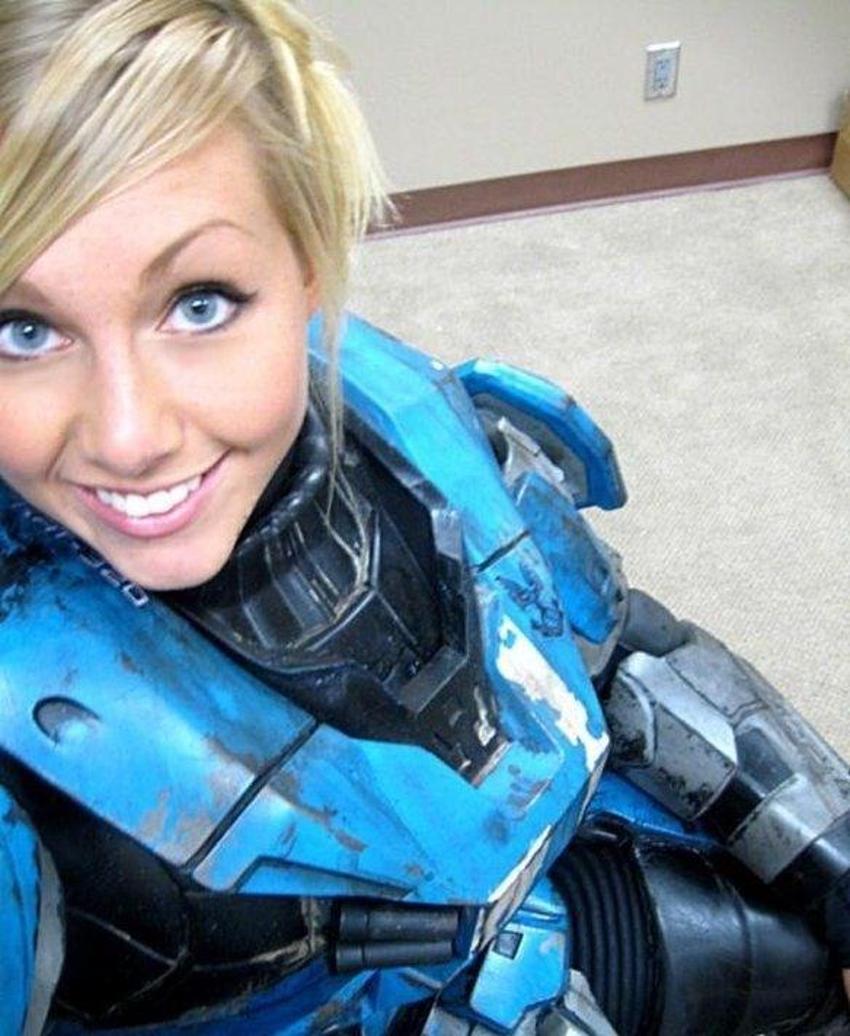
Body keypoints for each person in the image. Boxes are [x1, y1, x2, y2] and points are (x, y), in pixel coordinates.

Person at [0, 2, 847, 1033]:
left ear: (306, 267)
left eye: (201, 302)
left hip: (509, 916)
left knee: (798, 953)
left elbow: (614, 647)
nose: (129, 435)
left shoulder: (394, 410)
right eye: (23, 328)